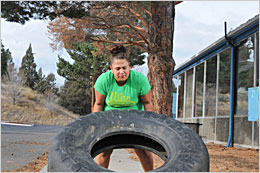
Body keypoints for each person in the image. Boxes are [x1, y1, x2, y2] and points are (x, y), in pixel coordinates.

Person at [93, 45, 154, 171]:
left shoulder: (139, 79)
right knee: (104, 152)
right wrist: (96, 125)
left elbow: (147, 103)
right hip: (109, 120)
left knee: (144, 152)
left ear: (130, 67)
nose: (122, 72)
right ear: (111, 69)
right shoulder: (103, 80)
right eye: (117, 68)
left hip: (135, 120)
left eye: (124, 68)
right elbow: (98, 104)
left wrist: (150, 124)